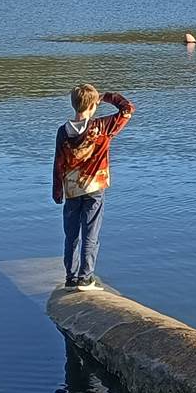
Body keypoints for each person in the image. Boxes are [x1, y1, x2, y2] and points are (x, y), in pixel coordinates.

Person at [52, 83, 133, 290]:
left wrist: (57, 189)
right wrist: (106, 96)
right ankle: (85, 278)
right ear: (93, 105)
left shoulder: (63, 131)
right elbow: (127, 108)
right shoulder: (102, 126)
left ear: (73, 104)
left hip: (71, 189)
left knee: (71, 234)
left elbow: (58, 162)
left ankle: (70, 278)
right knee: (91, 233)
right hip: (94, 188)